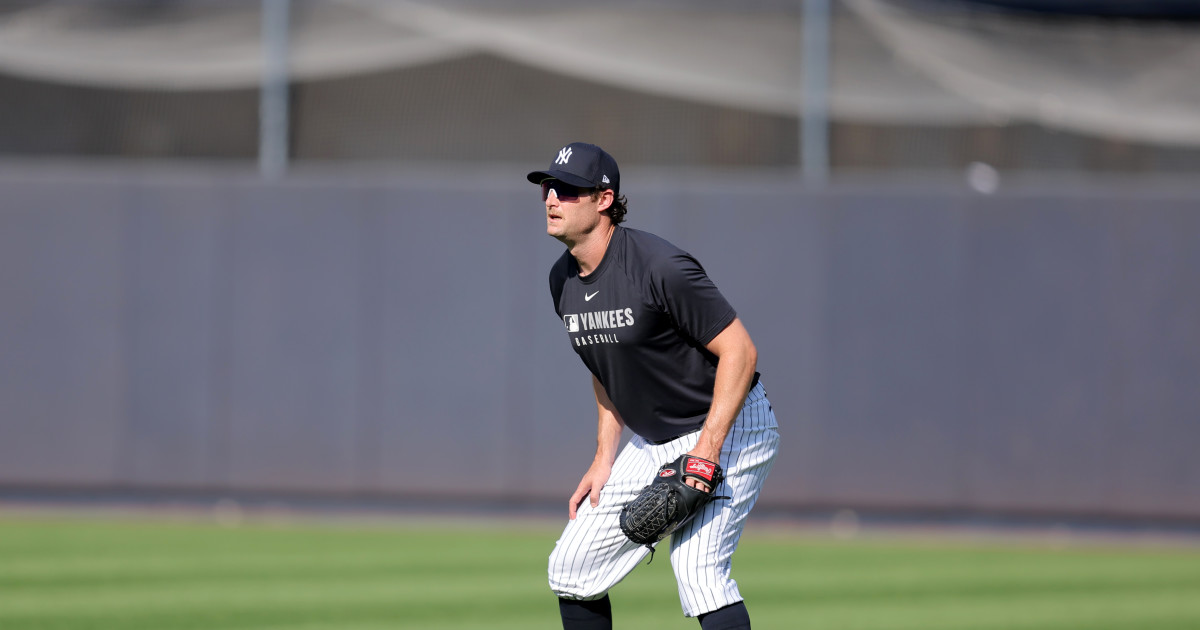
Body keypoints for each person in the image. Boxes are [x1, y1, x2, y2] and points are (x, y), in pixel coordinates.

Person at [527, 142, 781, 630]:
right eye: (547, 187)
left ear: (604, 200)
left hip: (729, 424)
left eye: (568, 189)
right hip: (655, 439)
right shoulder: (562, 280)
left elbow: (741, 353)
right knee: (572, 569)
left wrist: (707, 451)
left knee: (699, 571)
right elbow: (605, 366)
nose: (552, 198)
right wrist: (604, 457)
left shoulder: (657, 265)